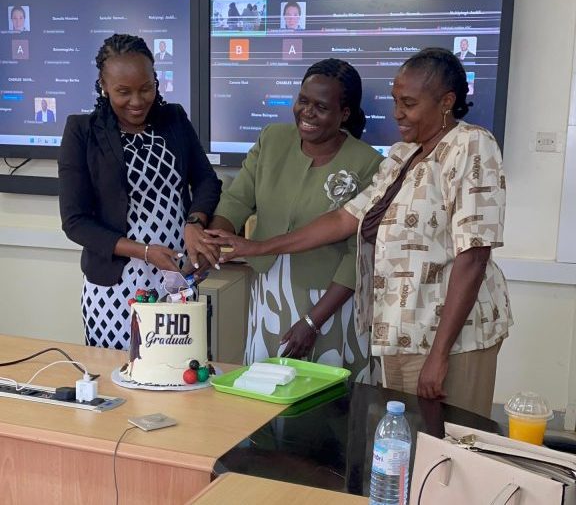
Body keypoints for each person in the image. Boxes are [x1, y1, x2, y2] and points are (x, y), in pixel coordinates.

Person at [205, 48, 512, 418]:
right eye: (396, 101)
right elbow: (342, 221)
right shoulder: (403, 155)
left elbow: (473, 255)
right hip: (399, 337)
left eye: (409, 103)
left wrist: (439, 354)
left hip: (451, 340)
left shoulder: (471, 145)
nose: (398, 112)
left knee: (452, 448)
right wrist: (258, 247)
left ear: (446, 102)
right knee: (408, 450)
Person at [189, 59, 383, 382]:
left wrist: (312, 322)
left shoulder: (369, 163)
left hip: (332, 303)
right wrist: (211, 243)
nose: (306, 113)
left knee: (328, 405)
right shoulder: (272, 139)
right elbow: (237, 201)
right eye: (303, 101)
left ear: (344, 114)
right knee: (265, 396)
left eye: (320, 107)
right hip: (270, 295)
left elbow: (359, 253)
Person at [58, 34, 221, 349]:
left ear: (156, 80)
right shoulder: (82, 131)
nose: (137, 101)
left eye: (146, 88)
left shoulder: (173, 119)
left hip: (177, 274)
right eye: (123, 92)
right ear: (104, 86)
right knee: (123, 378)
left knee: (180, 372)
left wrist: (195, 223)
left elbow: (206, 180)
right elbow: (75, 221)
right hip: (116, 287)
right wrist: (144, 252)